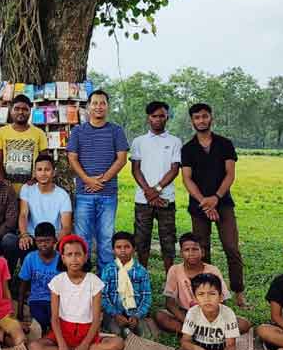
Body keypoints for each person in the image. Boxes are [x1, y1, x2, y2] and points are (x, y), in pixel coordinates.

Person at [180, 103, 247, 307]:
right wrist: (204, 202)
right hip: (199, 206)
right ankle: (205, 293)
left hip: (223, 203)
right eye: (197, 117)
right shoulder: (188, 148)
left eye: (204, 116)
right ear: (192, 121)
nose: (201, 120)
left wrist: (216, 198)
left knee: (231, 247)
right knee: (202, 250)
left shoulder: (225, 144)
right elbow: (187, 179)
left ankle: (238, 293)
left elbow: (230, 174)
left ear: (211, 118)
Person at [27, 235, 124, 350]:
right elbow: (54, 318)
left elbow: (96, 320)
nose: (74, 259)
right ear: (63, 258)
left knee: (118, 343)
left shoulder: (94, 281)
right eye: (69, 254)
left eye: (78, 254)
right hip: (63, 332)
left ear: (85, 257)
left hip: (87, 333)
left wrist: (84, 345)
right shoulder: (58, 281)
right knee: (33, 347)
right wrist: (61, 345)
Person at [66, 89, 129, 273]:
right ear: (88, 107)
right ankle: (82, 277)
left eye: (102, 103)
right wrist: (87, 180)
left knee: (106, 239)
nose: (98, 107)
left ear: (108, 107)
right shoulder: (78, 131)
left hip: (108, 195)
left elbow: (121, 158)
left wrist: (101, 180)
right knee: (82, 238)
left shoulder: (116, 131)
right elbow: (72, 157)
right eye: (95, 103)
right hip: (84, 195)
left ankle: (105, 280)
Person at [155, 233, 250, 334]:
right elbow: (170, 304)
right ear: (181, 253)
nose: (191, 253)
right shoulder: (174, 270)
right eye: (187, 250)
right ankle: (204, 334)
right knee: (160, 316)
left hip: (210, 314)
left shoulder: (213, 270)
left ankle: (198, 333)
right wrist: (188, 322)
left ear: (203, 252)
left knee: (243, 323)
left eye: (195, 249)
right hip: (185, 314)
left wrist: (210, 320)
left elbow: (222, 301)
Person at [130, 101, 181, 272]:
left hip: (166, 198)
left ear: (167, 117)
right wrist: (148, 192)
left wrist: (157, 190)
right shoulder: (138, 141)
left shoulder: (175, 141)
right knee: (141, 240)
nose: (158, 119)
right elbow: (135, 169)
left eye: (162, 115)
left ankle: (171, 280)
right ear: (148, 118)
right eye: (154, 116)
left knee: (168, 240)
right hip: (142, 200)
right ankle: (142, 277)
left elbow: (174, 170)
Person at [174, 273, 254, 350]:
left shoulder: (228, 314)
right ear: (195, 299)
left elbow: (231, 346)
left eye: (212, 294)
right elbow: (185, 341)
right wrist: (196, 349)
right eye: (201, 294)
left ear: (220, 297)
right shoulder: (193, 313)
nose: (207, 299)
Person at [10, 154, 72, 269]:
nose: (43, 173)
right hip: (32, 237)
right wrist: (24, 235)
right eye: (39, 170)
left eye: (47, 170)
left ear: (53, 172)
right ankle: (19, 280)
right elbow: (23, 214)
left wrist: (55, 241)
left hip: (54, 239)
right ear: (34, 173)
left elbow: (66, 227)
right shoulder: (27, 189)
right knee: (13, 241)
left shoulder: (62, 195)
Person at [98, 232, 152, 338]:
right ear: (113, 250)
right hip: (113, 313)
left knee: (144, 334)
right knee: (117, 333)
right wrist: (115, 314)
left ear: (134, 249)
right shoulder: (108, 269)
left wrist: (137, 316)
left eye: (127, 247)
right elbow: (103, 296)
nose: (122, 250)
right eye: (118, 247)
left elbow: (146, 298)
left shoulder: (141, 271)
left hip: (134, 313)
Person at [0, 94, 48, 193]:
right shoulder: (1, 132)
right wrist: (4, 182)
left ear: (30, 111)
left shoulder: (39, 133)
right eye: (17, 108)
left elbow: (44, 161)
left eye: (25, 109)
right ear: (10, 110)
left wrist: (36, 179)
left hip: (32, 189)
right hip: (7, 189)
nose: (20, 112)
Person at [17, 222, 60, 333]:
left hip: (57, 300)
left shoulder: (61, 259)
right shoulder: (30, 258)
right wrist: (20, 313)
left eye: (47, 241)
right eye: (40, 241)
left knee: (54, 320)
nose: (43, 245)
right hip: (37, 299)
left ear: (55, 240)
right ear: (35, 241)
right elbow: (22, 286)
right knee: (41, 320)